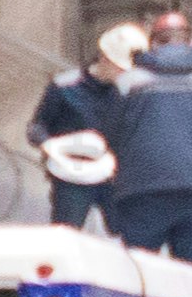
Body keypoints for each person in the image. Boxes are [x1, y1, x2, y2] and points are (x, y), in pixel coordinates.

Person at [113, 0, 192, 273]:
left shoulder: (129, 82)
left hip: (144, 187)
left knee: (139, 273)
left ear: (153, 43)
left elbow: (112, 130)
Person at [36, 19, 143, 224]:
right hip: (71, 176)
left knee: (130, 237)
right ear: (105, 59)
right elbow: (38, 127)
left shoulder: (127, 94)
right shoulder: (65, 86)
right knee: (65, 236)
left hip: (112, 176)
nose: (125, 75)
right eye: (121, 69)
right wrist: (49, 145)